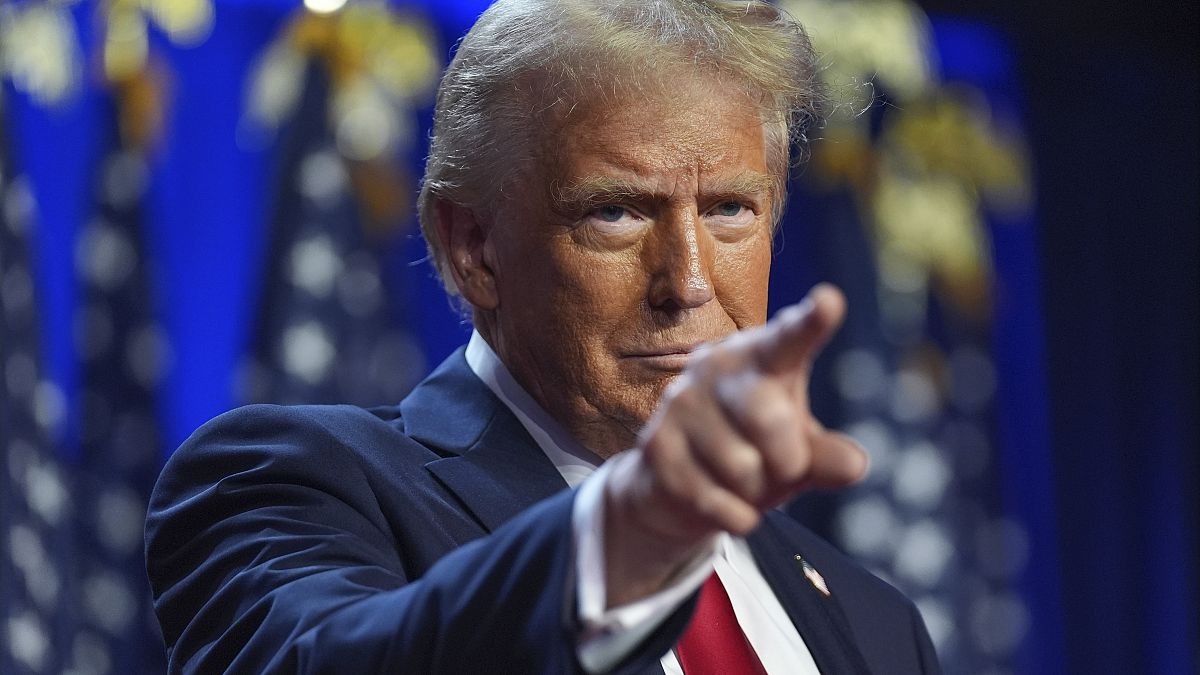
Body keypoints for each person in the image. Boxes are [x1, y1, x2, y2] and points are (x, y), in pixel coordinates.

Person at [145, 1, 940, 672]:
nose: (690, 282)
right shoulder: (291, 486)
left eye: (730, 208)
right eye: (617, 212)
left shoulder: (877, 623)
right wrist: (624, 545)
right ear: (474, 247)